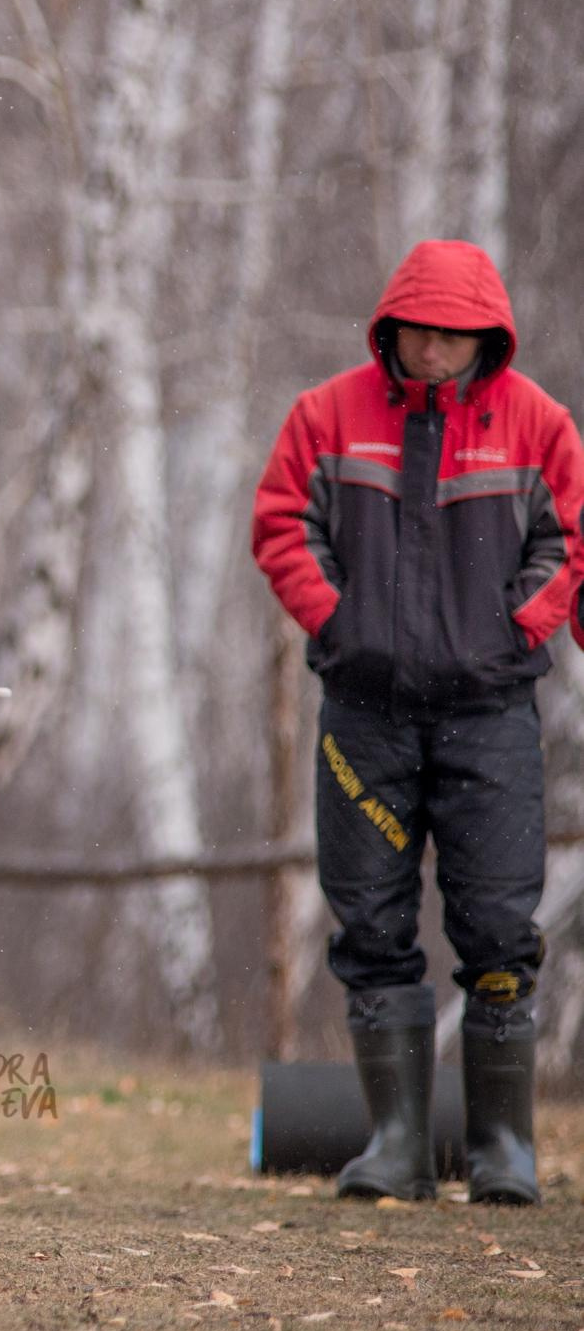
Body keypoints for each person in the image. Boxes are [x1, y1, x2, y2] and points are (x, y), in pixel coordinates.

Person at [251, 238, 581, 1206]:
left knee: (496, 924)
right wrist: (338, 619)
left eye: (452, 336)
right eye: (418, 334)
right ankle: (396, 1142)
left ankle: (500, 1149)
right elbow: (280, 524)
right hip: (364, 716)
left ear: (486, 338)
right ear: (389, 329)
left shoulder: (538, 426)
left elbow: (567, 539)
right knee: (371, 920)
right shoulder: (325, 416)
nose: (433, 351)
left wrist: (517, 626)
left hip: (491, 717)